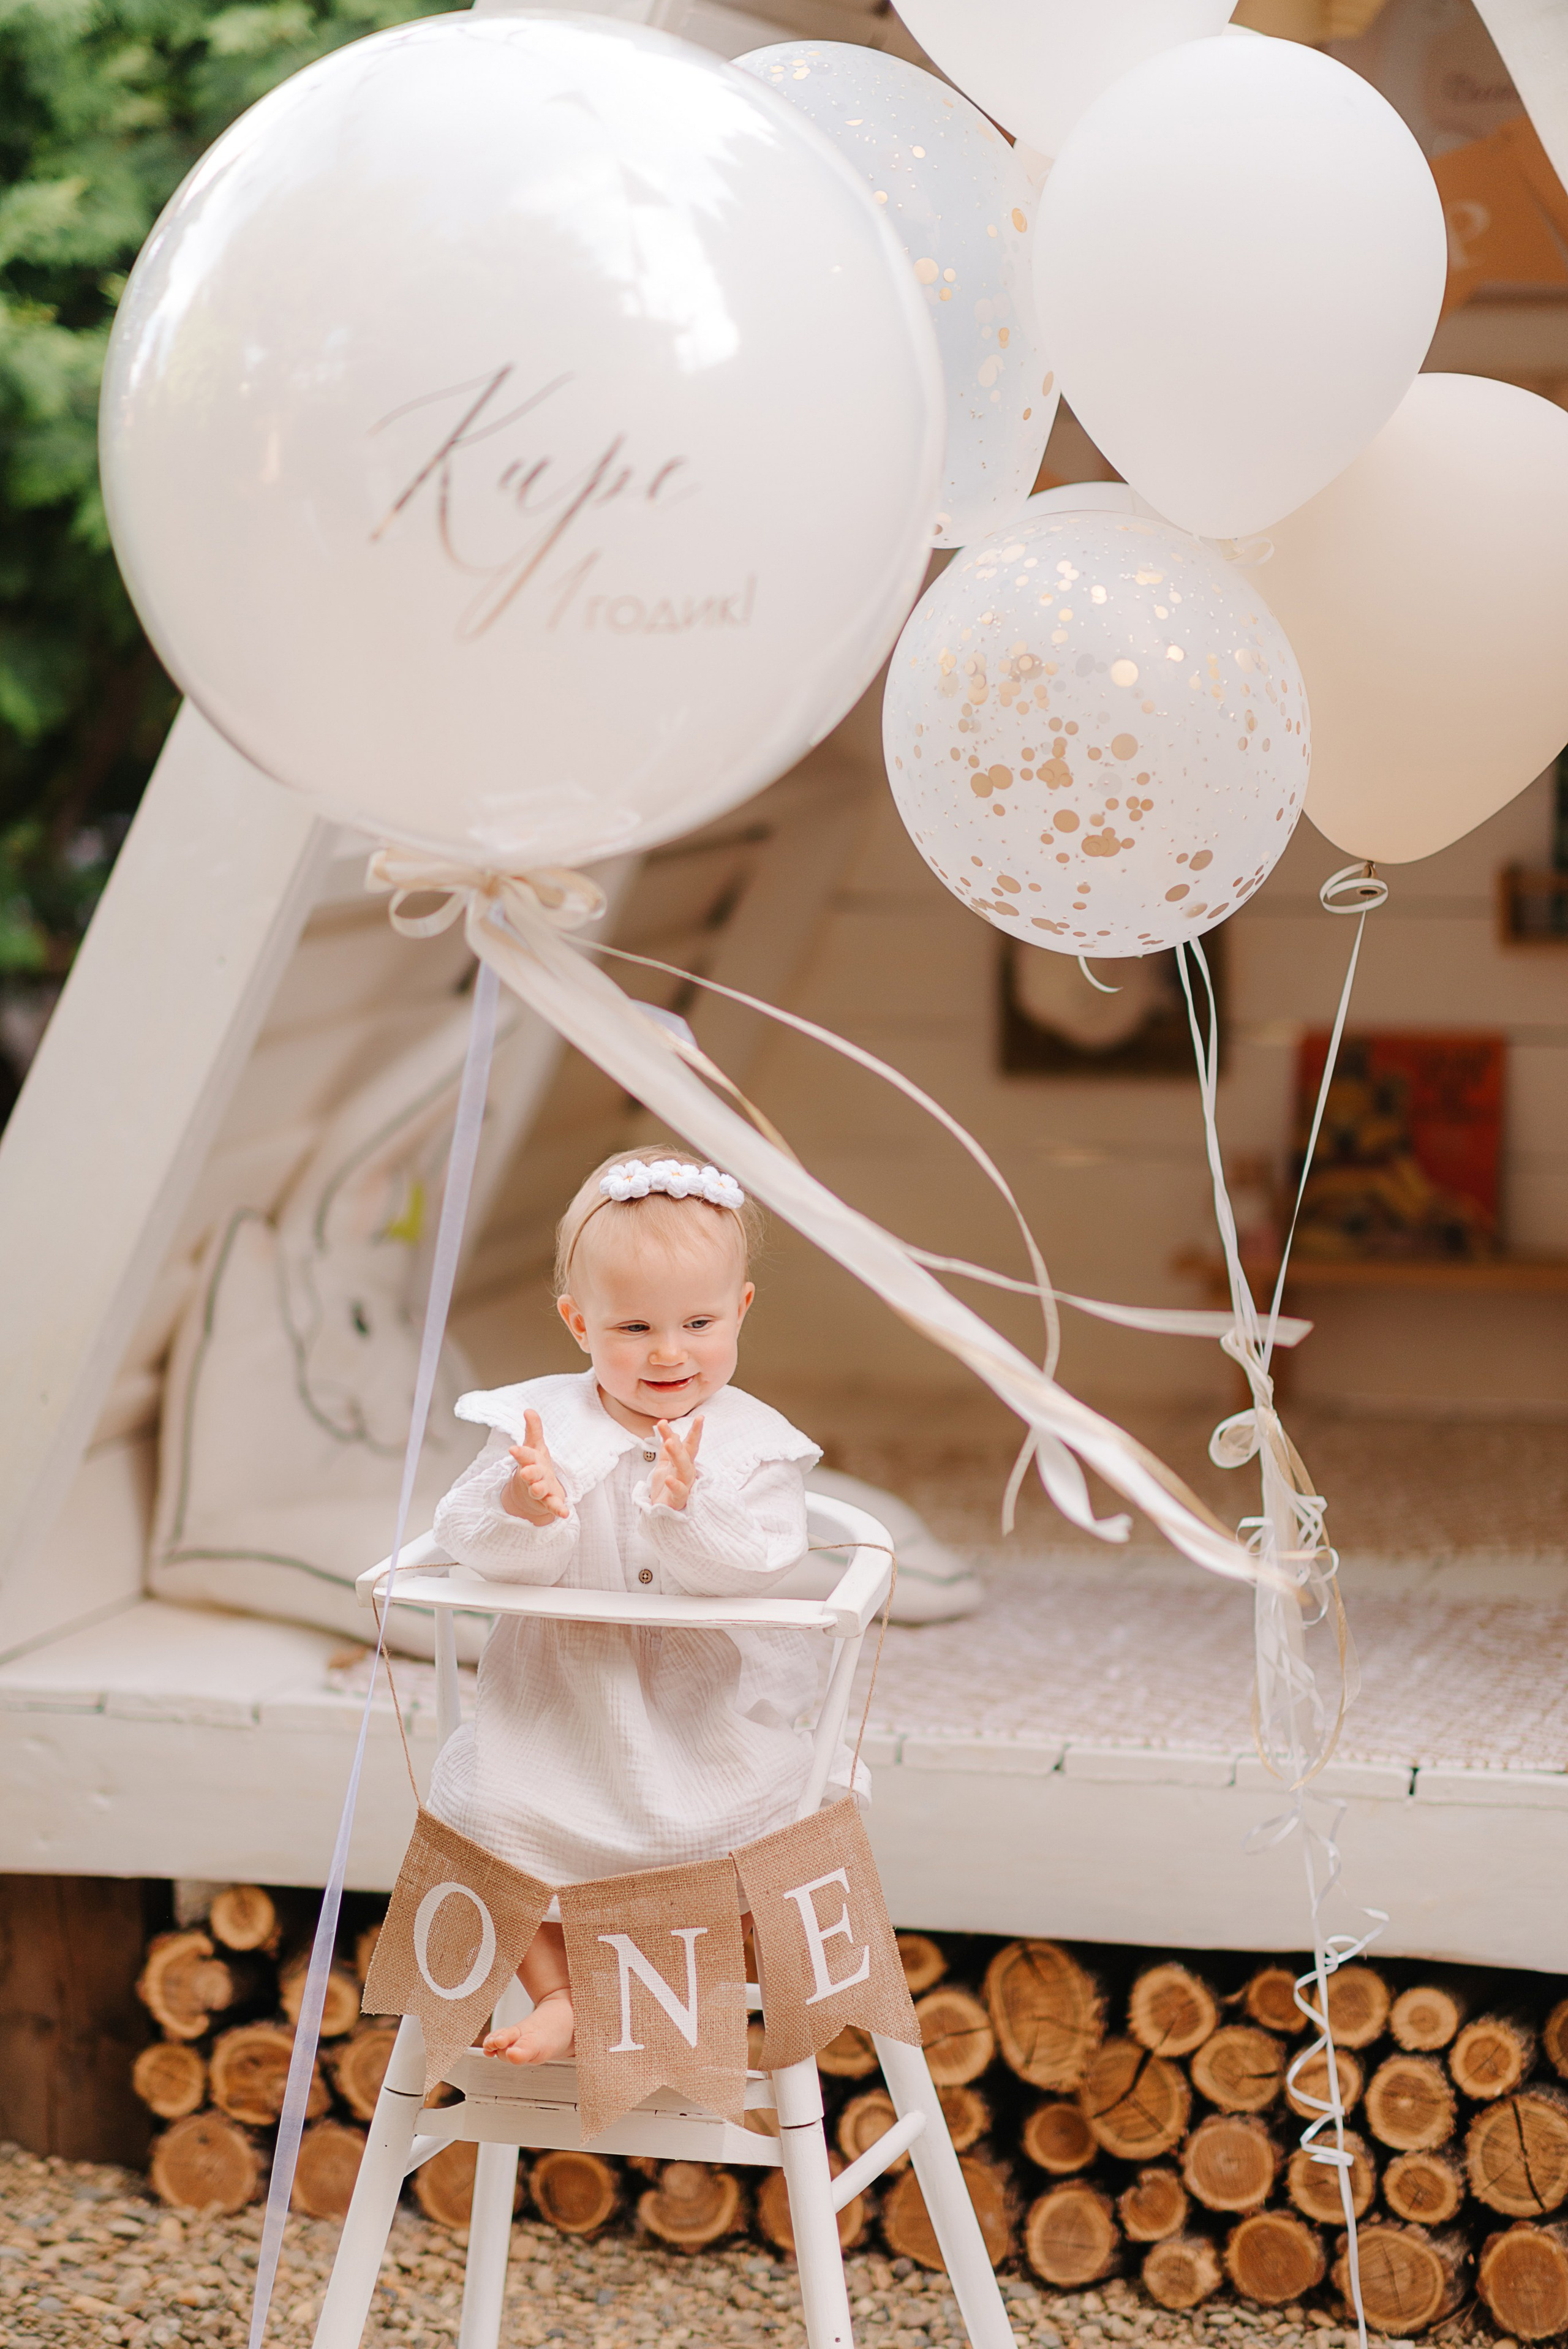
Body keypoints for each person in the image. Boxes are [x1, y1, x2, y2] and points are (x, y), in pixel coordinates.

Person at [424, 1147, 844, 2065]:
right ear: (578, 1323)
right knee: (478, 1806)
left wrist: (690, 1512)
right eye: (634, 1326)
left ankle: (671, 1992)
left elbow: (761, 1562)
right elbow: (465, 1537)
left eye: (698, 1322)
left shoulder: (753, 1446)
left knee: (767, 1820)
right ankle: (564, 1993)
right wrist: (524, 1508)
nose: (668, 1352)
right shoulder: (537, 1429)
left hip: (704, 1712)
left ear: (740, 1310)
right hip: (559, 1705)